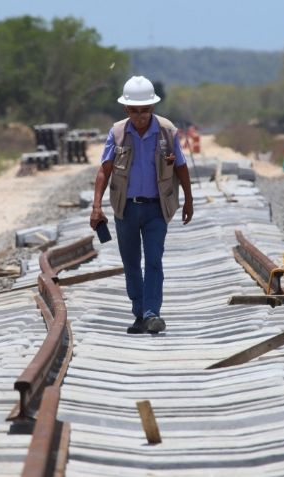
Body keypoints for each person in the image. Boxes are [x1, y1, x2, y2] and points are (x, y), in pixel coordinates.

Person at [89, 76, 194, 334]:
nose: (140, 116)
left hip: (156, 209)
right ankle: (139, 313)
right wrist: (96, 206)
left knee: (154, 260)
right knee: (132, 262)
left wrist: (189, 200)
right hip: (126, 208)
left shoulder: (167, 132)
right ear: (126, 109)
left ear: (153, 108)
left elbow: (180, 166)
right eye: (134, 111)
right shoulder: (117, 133)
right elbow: (105, 170)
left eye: (145, 110)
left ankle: (152, 313)